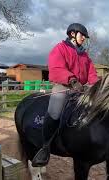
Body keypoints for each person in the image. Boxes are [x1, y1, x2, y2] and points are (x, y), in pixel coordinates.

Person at [32, 23, 98, 167]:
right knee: (55, 112)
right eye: (82, 36)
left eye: (85, 37)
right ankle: (45, 147)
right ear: (72, 34)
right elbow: (56, 68)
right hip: (63, 86)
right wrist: (72, 80)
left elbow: (92, 74)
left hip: (81, 90)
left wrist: (97, 85)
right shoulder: (60, 49)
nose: (84, 39)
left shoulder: (85, 55)